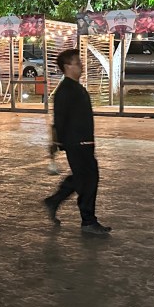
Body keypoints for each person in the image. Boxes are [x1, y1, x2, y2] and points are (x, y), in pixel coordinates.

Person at [43, 48, 111, 235]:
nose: (81, 65)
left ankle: (55, 200)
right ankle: (88, 221)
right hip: (76, 143)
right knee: (89, 180)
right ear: (67, 66)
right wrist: (56, 144)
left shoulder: (76, 88)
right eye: (77, 62)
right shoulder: (65, 91)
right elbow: (58, 120)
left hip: (85, 142)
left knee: (83, 179)